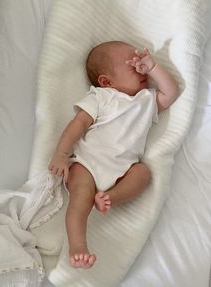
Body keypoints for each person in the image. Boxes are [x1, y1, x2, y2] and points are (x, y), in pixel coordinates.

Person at [48, 41, 179, 268]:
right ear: (107, 81)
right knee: (80, 199)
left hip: (123, 170)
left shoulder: (146, 100)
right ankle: (78, 246)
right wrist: (61, 153)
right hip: (87, 164)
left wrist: (153, 67)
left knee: (144, 173)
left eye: (141, 64)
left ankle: (110, 197)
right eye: (133, 66)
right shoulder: (101, 97)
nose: (140, 69)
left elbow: (171, 92)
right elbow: (78, 124)